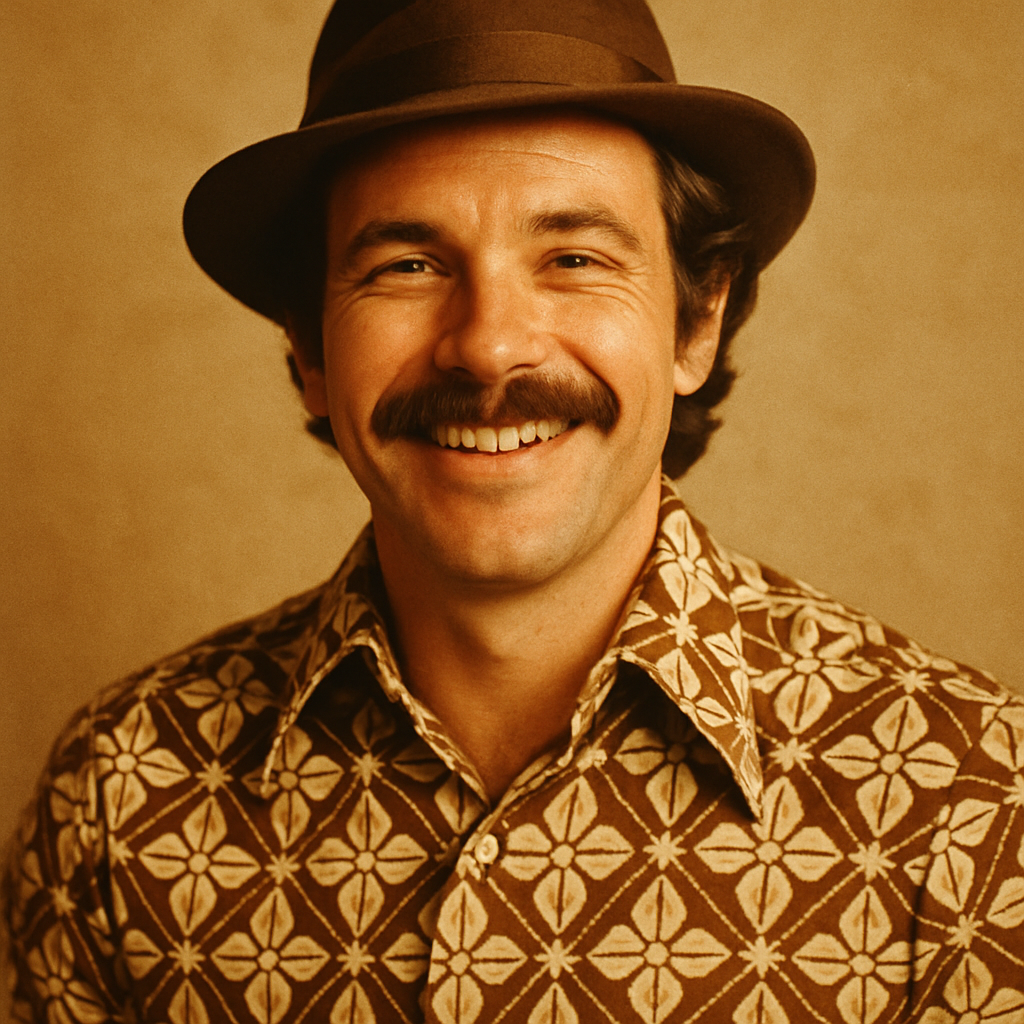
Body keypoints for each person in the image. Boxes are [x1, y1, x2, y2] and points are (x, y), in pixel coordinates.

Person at [4, 0, 1023, 1021]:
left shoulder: (967, 804)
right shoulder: (122, 797)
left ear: (696, 321)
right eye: (407, 264)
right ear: (309, 350)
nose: (490, 345)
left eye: (573, 258)